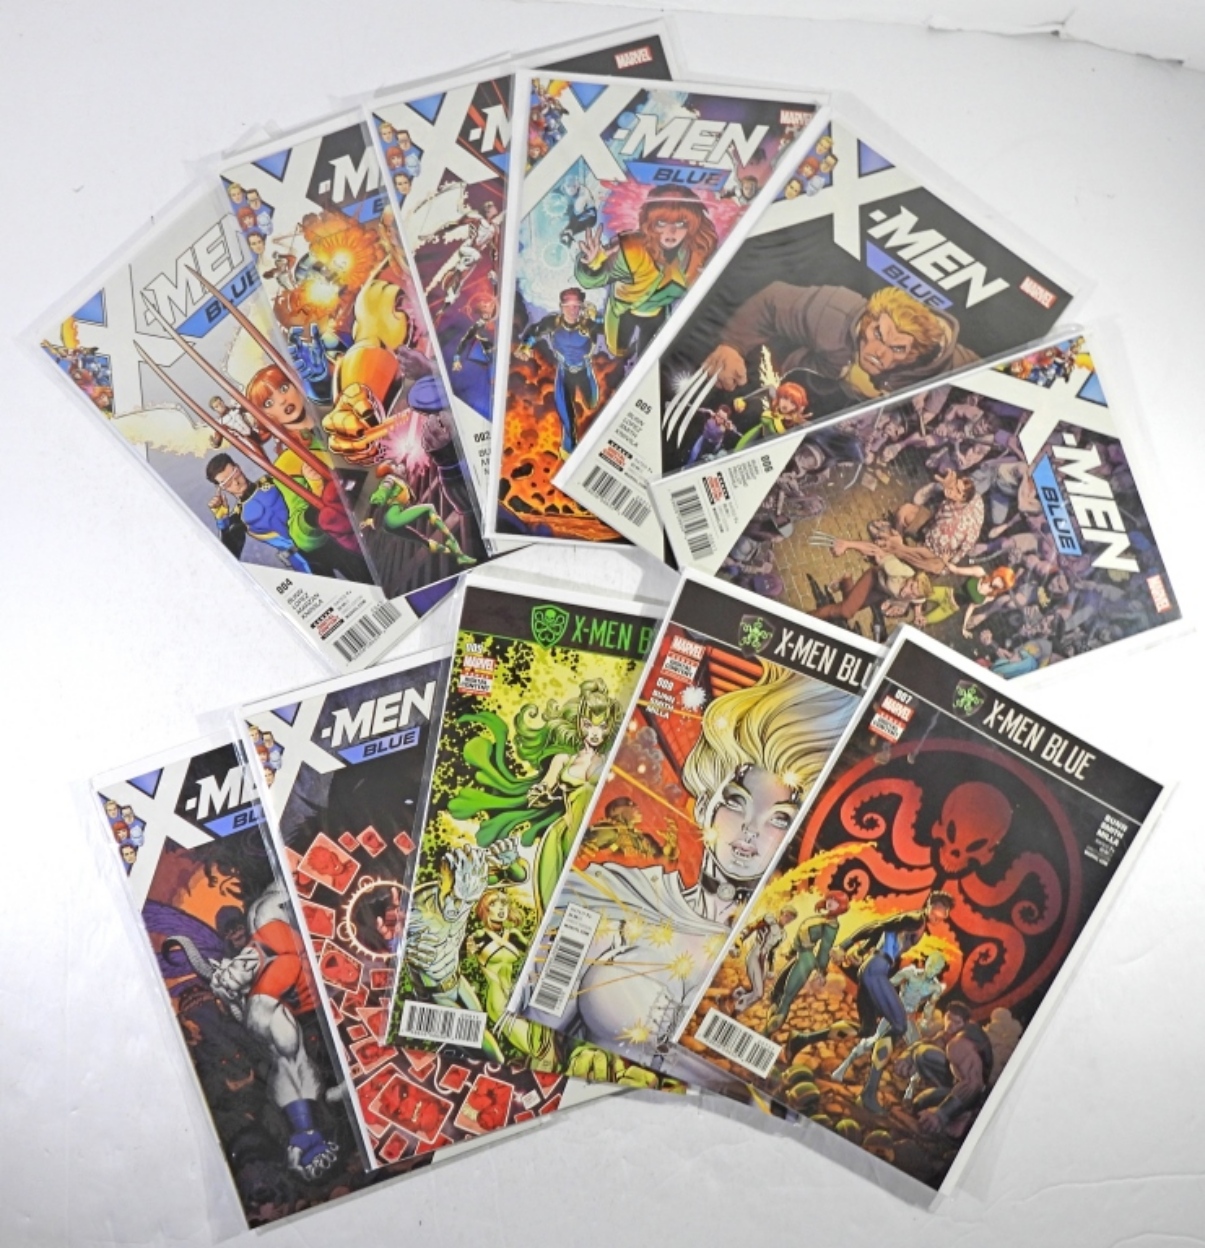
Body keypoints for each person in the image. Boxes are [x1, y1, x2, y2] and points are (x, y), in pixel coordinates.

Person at [527, 670, 854, 1085]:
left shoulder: (778, 955)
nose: (751, 830)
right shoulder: (618, 892)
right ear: (704, 807)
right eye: (737, 803)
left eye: (779, 819)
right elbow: (535, 1029)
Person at [700, 284, 977, 413]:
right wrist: (732, 345)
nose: (878, 352)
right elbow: (772, 301)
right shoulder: (833, 310)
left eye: (897, 349)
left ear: (914, 355)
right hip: (806, 381)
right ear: (868, 320)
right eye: (877, 334)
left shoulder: (952, 363)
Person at [575, 184, 718, 360]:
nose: (671, 232)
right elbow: (593, 280)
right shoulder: (633, 250)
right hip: (624, 311)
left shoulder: (696, 255)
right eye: (661, 223)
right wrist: (592, 266)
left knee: (648, 357)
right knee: (618, 351)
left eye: (680, 223)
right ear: (649, 223)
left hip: (657, 314)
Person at [516, 288, 603, 456]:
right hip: (564, 372)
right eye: (568, 306)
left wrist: (597, 316)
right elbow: (535, 330)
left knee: (592, 402)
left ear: (581, 306)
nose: (572, 310)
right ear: (561, 307)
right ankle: (568, 450)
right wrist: (526, 345)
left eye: (576, 306)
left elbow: (611, 328)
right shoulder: (553, 322)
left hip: (584, 370)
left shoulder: (589, 323)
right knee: (566, 415)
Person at [762, 890, 850, 1033]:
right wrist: (792, 951)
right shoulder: (823, 918)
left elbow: (825, 948)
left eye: (836, 901)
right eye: (830, 898)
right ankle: (773, 1016)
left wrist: (821, 969)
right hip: (799, 953)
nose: (831, 902)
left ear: (841, 906)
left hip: (806, 957)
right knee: (779, 987)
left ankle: (775, 1021)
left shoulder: (831, 925)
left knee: (788, 993)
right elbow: (801, 935)